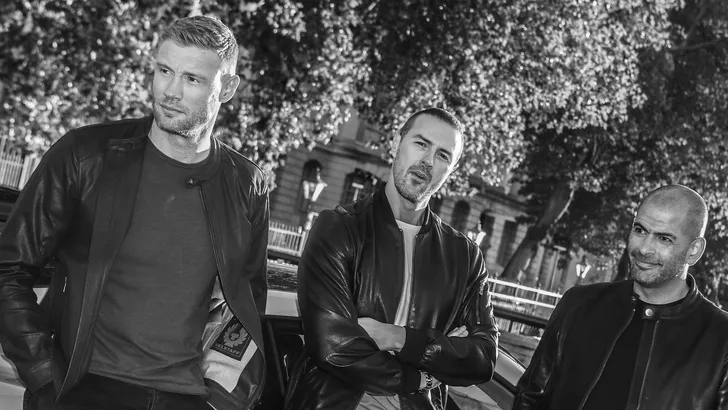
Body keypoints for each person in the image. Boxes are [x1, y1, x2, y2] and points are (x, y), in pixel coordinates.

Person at [0, 16, 270, 410]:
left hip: (186, 398)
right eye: (164, 71)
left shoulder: (246, 185)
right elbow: (9, 268)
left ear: (226, 88)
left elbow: (245, 307)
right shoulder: (85, 156)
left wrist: (220, 400)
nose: (171, 91)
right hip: (83, 390)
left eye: (192, 79)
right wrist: (42, 375)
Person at [285, 108, 500, 410]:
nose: (427, 161)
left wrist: (397, 338)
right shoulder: (339, 229)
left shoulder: (464, 256)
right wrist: (422, 374)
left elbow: (483, 358)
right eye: (421, 144)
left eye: (442, 156)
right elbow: (333, 346)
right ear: (397, 143)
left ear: (451, 170)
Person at [513, 185, 728, 410]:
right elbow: (530, 398)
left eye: (664, 238)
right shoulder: (579, 305)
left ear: (694, 250)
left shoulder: (721, 339)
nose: (644, 248)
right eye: (640, 230)